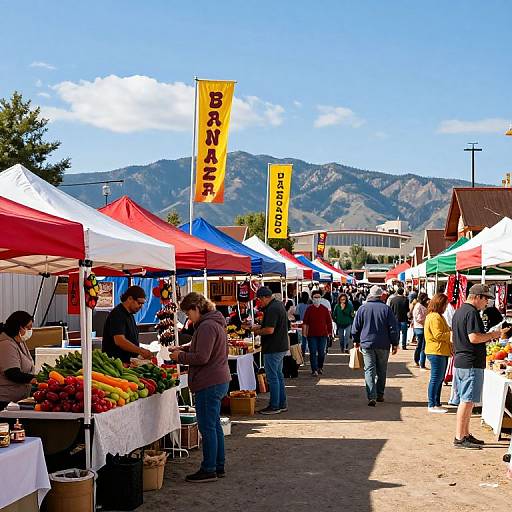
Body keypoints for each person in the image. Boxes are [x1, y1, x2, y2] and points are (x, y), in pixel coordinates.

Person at [170, 292, 231, 482]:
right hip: (218, 379)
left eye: (188, 314)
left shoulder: (206, 326)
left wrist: (180, 357)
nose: (188, 318)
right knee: (214, 426)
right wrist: (184, 348)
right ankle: (218, 465)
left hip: (209, 382)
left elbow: (202, 357)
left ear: (196, 308)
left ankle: (209, 468)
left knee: (207, 427)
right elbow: (202, 347)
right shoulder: (215, 322)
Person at [452, 284, 510, 449]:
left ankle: (464, 434)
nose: (486, 303)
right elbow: (474, 337)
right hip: (470, 362)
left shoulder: (460, 311)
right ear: (477, 297)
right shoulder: (471, 313)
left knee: (467, 401)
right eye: (486, 299)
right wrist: (494, 334)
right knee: (467, 401)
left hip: (464, 361)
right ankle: (460, 436)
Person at [352, 285, 399, 406]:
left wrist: (356, 340)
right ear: (380, 296)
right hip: (383, 344)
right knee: (382, 370)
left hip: (367, 344)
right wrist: (395, 343)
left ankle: (371, 396)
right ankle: (380, 394)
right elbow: (393, 328)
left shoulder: (362, 308)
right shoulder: (386, 309)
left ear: (370, 295)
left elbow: (356, 327)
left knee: (369, 370)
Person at [244, 287, 288, 415]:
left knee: (273, 377)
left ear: (264, 297)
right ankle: (281, 403)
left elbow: (269, 330)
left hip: (273, 348)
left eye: (259, 300)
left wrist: (255, 331)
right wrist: (257, 327)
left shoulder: (272, 308)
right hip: (280, 346)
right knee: (278, 376)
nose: (259, 303)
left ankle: (274, 405)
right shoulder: (278, 305)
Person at [102, 285, 153, 363]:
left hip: (128, 363)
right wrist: (140, 351)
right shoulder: (117, 314)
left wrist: (139, 353)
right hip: (116, 364)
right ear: (130, 298)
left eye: (142, 304)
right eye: (139, 303)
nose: (141, 307)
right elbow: (119, 340)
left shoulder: (130, 315)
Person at [0, 311, 35, 411]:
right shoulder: (6, 344)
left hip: (18, 399)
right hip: (5, 401)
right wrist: (34, 379)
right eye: (28, 327)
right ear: (20, 327)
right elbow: (12, 373)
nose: (31, 330)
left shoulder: (19, 341)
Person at [424, 293, 452, 413]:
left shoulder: (437, 316)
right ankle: (432, 404)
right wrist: (451, 334)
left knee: (439, 378)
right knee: (436, 378)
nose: (446, 306)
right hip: (436, 351)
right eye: (445, 304)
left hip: (440, 351)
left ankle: (436, 402)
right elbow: (438, 335)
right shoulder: (435, 317)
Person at [303, 290, 333, 376]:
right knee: (312, 352)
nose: (317, 299)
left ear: (321, 298)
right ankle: (314, 370)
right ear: (312, 299)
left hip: (323, 334)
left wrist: (330, 333)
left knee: (321, 353)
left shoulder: (324, 309)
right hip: (311, 335)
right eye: (315, 297)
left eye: (318, 297)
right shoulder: (309, 309)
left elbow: (329, 322)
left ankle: (320, 367)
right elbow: (305, 322)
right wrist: (305, 333)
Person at [413, 293, 429, 369]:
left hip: (419, 328)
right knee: (422, 347)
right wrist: (426, 321)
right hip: (421, 328)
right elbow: (419, 319)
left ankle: (417, 360)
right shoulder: (419, 306)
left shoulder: (419, 306)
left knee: (420, 346)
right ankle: (421, 363)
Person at [296, 292, 310, 356]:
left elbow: (297, 315)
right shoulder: (310, 306)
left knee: (302, 339)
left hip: (301, 323)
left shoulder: (299, 305)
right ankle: (310, 351)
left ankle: (303, 351)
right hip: (309, 323)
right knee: (309, 338)